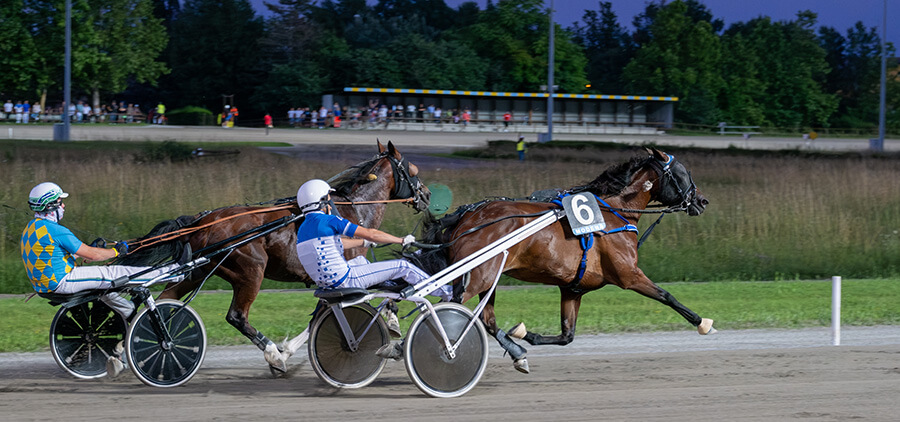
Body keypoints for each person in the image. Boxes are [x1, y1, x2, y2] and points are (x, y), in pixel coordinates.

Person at [21, 182, 191, 375]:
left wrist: (90, 250)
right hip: (62, 281)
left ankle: (129, 313)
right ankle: (175, 271)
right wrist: (114, 250)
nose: (63, 206)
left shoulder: (32, 229)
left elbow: (58, 255)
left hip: (47, 283)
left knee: (105, 288)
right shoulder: (55, 230)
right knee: (113, 273)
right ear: (50, 205)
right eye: (60, 202)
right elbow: (93, 255)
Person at [294, 179, 452, 357]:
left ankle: (391, 293)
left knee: (361, 261)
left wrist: (364, 242)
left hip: (328, 284)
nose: (330, 201)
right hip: (346, 279)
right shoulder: (328, 221)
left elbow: (336, 244)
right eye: (328, 198)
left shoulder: (303, 229)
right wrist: (401, 240)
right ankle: (447, 292)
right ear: (321, 201)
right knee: (403, 266)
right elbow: (370, 232)